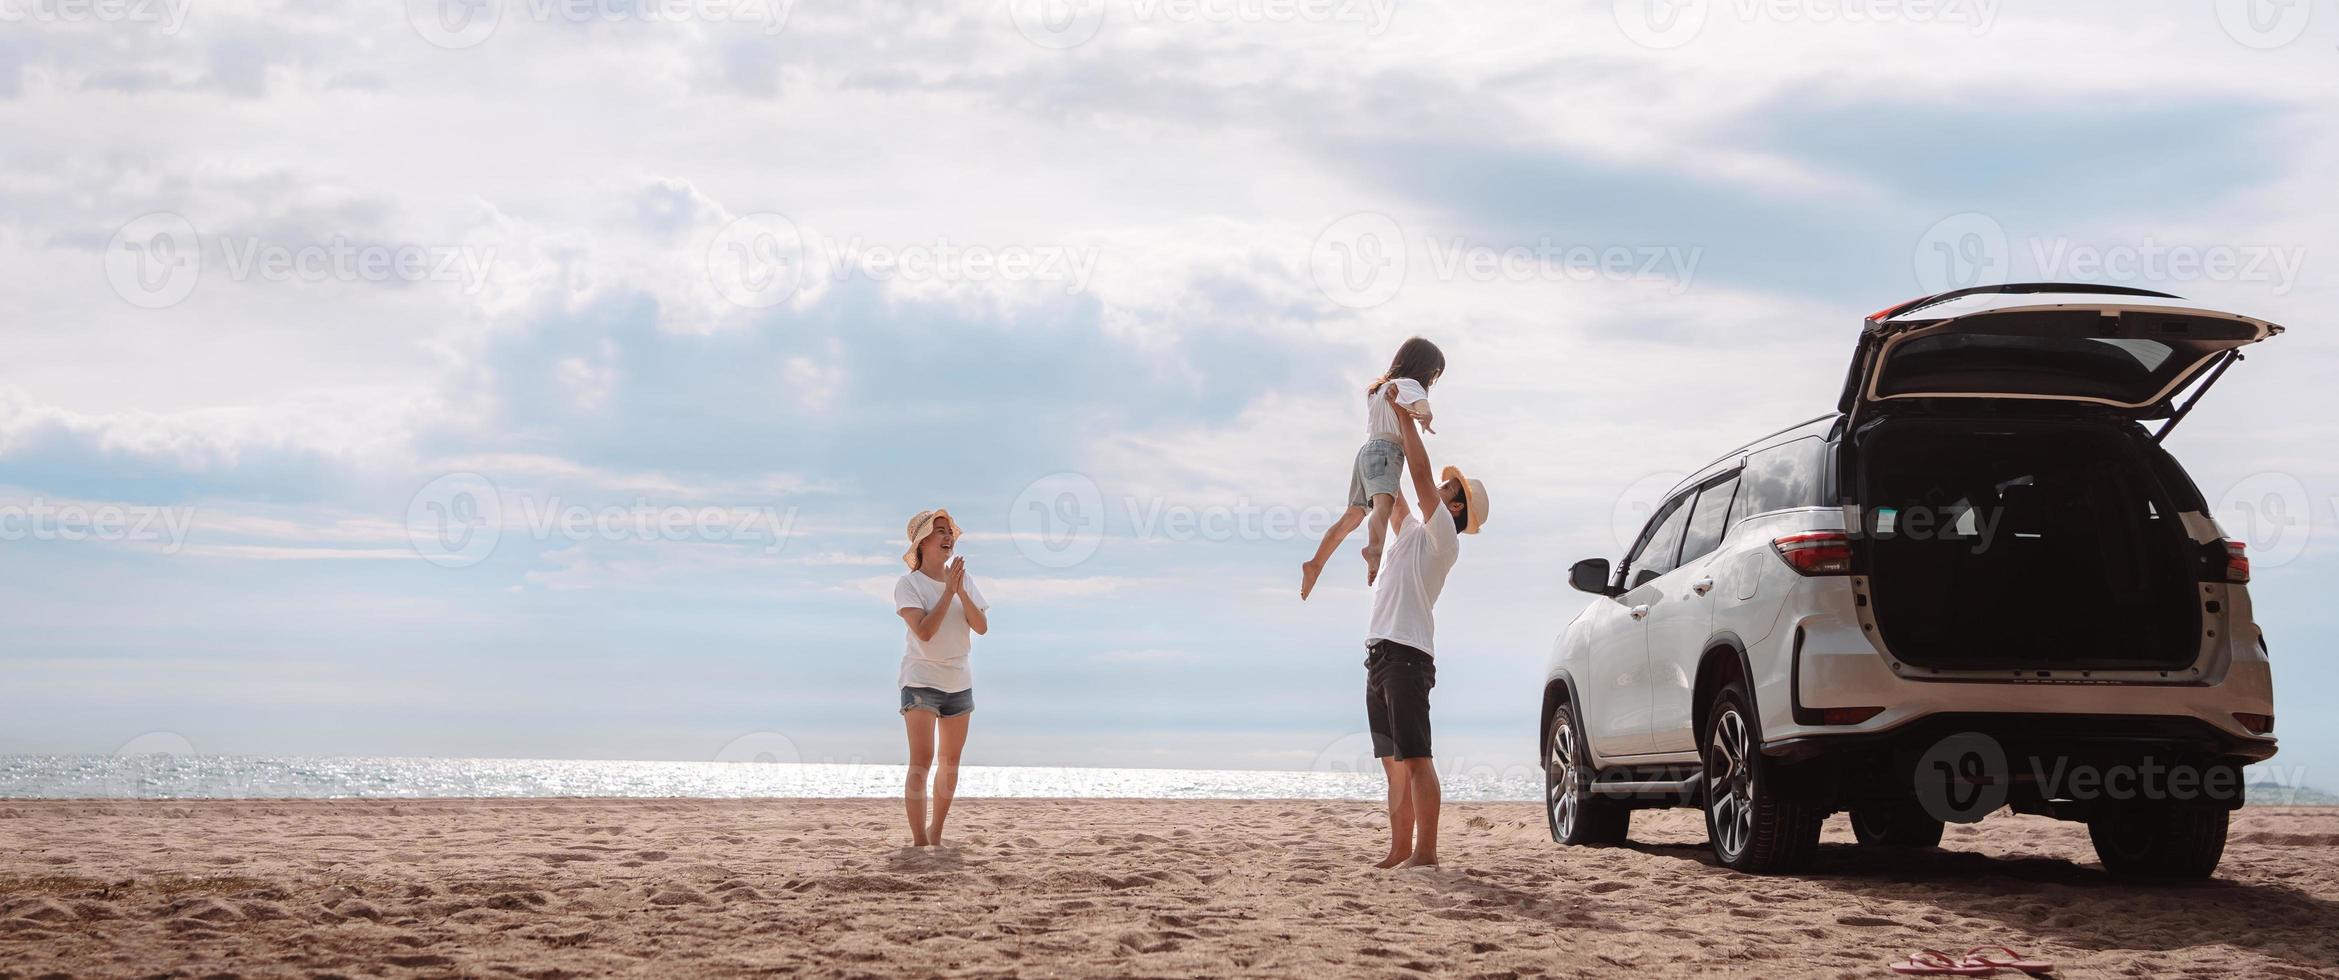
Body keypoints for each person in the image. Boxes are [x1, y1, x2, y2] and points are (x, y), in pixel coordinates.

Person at [1361, 382, 1486, 868]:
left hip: (1409, 657)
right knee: (1394, 765)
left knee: (1416, 759)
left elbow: (1417, 473)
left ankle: (1426, 854)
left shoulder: (1445, 541)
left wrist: (1406, 415)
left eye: (1449, 488)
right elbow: (1392, 492)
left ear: (1455, 508)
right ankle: (1398, 851)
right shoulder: (1413, 530)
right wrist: (1381, 435)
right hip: (1380, 654)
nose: (1441, 485)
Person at [1300, 337, 1444, 600]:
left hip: (1366, 452)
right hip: (1386, 451)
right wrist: (1426, 417)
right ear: (1429, 371)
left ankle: (1316, 562)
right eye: (1435, 378)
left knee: (1353, 515)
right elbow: (1422, 406)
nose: (1432, 384)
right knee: (1383, 506)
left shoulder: (1378, 390)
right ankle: (1374, 550)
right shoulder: (1409, 386)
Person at [894, 508, 989, 847]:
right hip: (920, 681)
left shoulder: (964, 579)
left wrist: (960, 590)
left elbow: (981, 627)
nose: (948, 536)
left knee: (950, 763)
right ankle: (920, 841)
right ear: (923, 542)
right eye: (940, 531)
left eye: (949, 531)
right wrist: (948, 592)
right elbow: (924, 632)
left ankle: (936, 834)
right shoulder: (908, 585)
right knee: (922, 761)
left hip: (959, 682)